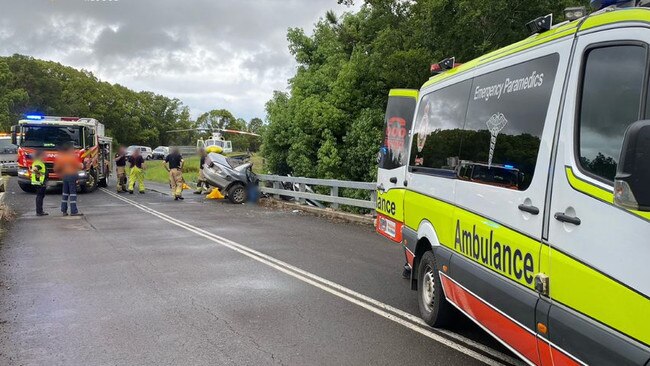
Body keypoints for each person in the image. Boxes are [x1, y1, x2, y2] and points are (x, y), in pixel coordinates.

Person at [54, 143, 83, 216]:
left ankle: (64, 210)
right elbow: (80, 166)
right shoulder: (71, 157)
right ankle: (73, 211)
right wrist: (84, 164)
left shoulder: (61, 158)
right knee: (73, 193)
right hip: (72, 175)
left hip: (65, 176)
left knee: (65, 193)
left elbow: (56, 168)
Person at [31, 150, 48, 216]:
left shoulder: (36, 162)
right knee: (40, 197)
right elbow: (35, 169)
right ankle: (39, 211)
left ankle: (39, 211)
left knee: (39, 196)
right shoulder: (39, 163)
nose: (44, 157)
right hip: (40, 183)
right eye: (43, 155)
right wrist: (38, 174)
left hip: (38, 182)